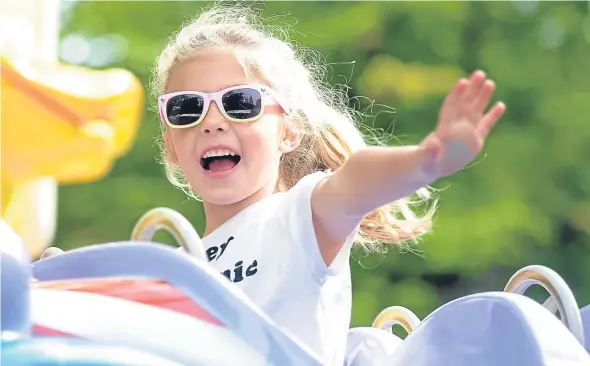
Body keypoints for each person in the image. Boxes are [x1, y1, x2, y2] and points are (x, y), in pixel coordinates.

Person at [152, 3, 506, 364]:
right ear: (172, 148)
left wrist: (428, 159)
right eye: (187, 109)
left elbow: (353, 181)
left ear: (288, 133)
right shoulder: (164, 268)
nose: (212, 122)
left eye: (241, 103)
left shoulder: (296, 217)